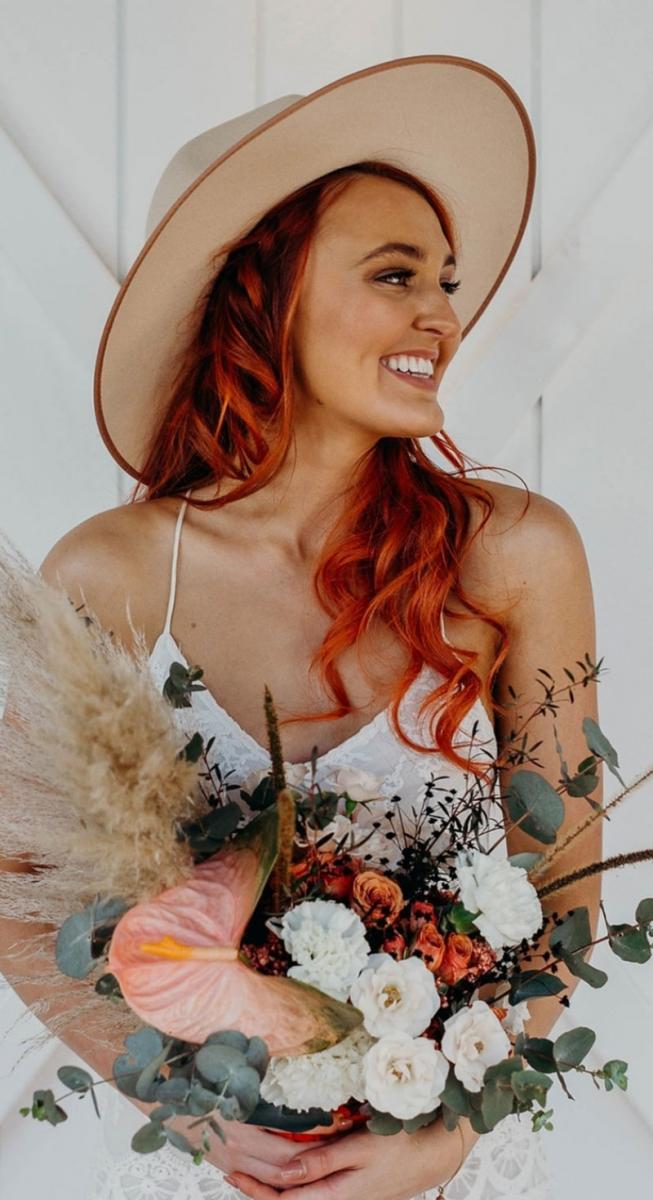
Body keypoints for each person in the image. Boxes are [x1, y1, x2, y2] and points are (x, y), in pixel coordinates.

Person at [2, 57, 601, 1199]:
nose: (443, 312)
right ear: (261, 296)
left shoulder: (516, 555)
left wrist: (455, 1130)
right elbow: (12, 886)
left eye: (446, 280)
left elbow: (564, 876)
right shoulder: (114, 572)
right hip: (213, 1164)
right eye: (393, 274)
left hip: (437, 1160)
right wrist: (179, 1111)